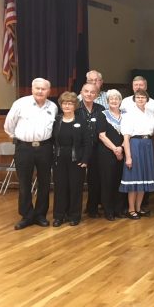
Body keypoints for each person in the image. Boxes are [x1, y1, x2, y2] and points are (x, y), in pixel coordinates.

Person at [4, 78, 57, 230]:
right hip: (24, 148)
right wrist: (20, 139)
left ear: (49, 91)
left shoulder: (53, 107)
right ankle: (26, 215)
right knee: (24, 183)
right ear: (32, 89)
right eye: (37, 88)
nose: (40, 91)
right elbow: (9, 125)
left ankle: (40, 215)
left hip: (45, 148)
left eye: (43, 89)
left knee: (44, 182)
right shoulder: (20, 104)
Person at [51, 92, 91, 227]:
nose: (67, 106)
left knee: (75, 188)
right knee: (60, 188)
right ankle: (59, 216)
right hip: (59, 159)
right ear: (61, 105)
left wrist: (85, 159)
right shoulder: (56, 121)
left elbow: (87, 142)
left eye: (70, 103)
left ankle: (74, 216)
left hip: (77, 159)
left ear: (75, 105)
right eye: (64, 103)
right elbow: (51, 140)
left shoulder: (81, 121)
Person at [120, 89, 154, 219]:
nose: (140, 99)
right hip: (135, 145)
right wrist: (128, 157)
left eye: (143, 97)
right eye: (138, 97)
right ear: (134, 99)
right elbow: (126, 138)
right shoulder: (129, 114)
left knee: (143, 179)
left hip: (148, 145)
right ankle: (131, 209)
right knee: (134, 179)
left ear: (147, 99)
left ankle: (138, 207)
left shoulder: (151, 114)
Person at [96, 89, 126, 220]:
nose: (114, 101)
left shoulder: (126, 114)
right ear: (107, 101)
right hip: (107, 153)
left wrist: (121, 148)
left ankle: (119, 209)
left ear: (120, 101)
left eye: (116, 98)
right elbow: (102, 136)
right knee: (107, 181)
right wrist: (115, 149)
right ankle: (108, 210)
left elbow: (129, 133)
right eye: (111, 99)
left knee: (121, 181)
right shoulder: (102, 114)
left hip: (124, 151)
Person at [77, 82, 105, 218]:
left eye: (92, 92)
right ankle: (74, 211)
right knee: (77, 180)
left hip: (96, 149)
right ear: (81, 93)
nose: (89, 94)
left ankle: (92, 208)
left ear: (97, 95)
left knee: (95, 180)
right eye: (86, 91)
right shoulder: (75, 108)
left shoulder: (101, 109)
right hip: (79, 149)